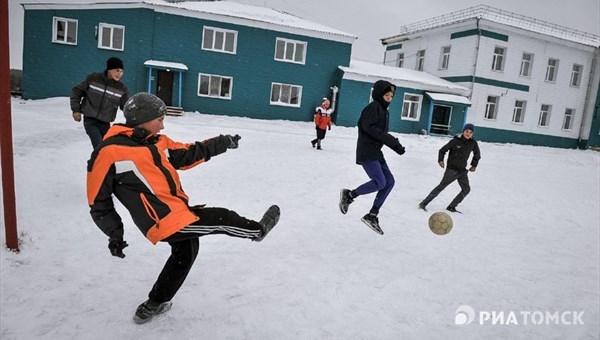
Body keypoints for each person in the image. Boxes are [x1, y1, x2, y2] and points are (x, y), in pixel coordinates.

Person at [86, 92, 281, 324]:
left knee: (185, 254)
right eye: (159, 119)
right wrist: (114, 232)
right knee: (222, 217)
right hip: (162, 220)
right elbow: (98, 200)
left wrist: (223, 142)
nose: (163, 124)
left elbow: (189, 153)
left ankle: (153, 304)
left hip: (178, 212)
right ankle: (257, 231)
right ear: (143, 119)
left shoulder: (158, 143)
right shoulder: (108, 152)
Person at [338, 80, 405, 235]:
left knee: (389, 182)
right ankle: (349, 195)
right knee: (380, 182)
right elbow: (370, 128)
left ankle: (372, 215)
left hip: (376, 151)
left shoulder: (384, 111)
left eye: (391, 95)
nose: (389, 98)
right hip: (366, 150)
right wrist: (392, 142)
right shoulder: (373, 107)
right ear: (379, 94)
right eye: (386, 95)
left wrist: (395, 145)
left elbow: (381, 135)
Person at [418, 123, 481, 213]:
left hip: (462, 171)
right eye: (467, 131)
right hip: (452, 170)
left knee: (466, 189)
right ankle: (424, 203)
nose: (468, 134)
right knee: (441, 187)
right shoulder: (455, 141)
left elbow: (477, 154)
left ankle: (452, 206)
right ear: (463, 131)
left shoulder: (473, 143)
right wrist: (441, 160)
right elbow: (442, 150)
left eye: (471, 132)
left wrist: (474, 165)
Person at [71, 57, 129, 148]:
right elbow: (77, 91)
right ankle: (97, 162)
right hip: (90, 120)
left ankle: (105, 163)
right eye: (117, 70)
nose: (119, 74)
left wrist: (137, 120)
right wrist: (76, 110)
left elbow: (126, 107)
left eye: (121, 71)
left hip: (105, 123)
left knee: (108, 149)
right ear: (109, 69)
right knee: (99, 146)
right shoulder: (93, 79)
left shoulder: (121, 88)